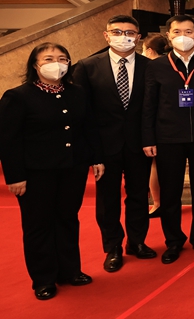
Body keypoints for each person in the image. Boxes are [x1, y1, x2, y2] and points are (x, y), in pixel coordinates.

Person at [0, 43, 104, 300]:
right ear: (35, 64)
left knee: (67, 219)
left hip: (72, 168)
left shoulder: (77, 92)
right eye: (48, 58)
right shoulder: (18, 96)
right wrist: (15, 176)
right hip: (36, 172)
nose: (56, 63)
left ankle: (70, 271)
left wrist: (96, 158)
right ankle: (44, 279)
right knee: (39, 224)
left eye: (62, 58)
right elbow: (8, 140)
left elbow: (89, 127)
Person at [72, 15, 155, 273]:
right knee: (108, 199)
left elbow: (151, 108)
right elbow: (82, 112)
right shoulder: (87, 67)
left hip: (139, 144)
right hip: (103, 146)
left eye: (129, 32)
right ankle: (113, 246)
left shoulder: (150, 66)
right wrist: (92, 151)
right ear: (106, 36)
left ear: (138, 37)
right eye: (117, 32)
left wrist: (150, 139)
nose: (123, 37)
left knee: (139, 195)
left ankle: (137, 241)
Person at [142, 15, 194, 264]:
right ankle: (173, 241)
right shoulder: (156, 66)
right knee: (170, 193)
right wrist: (148, 138)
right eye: (177, 32)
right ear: (168, 35)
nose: (183, 36)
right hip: (168, 138)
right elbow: (149, 105)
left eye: (188, 31)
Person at [142, 32, 167, 217]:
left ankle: (157, 203)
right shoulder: (169, 65)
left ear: (150, 50)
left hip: (156, 124)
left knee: (154, 166)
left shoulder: (149, 68)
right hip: (163, 124)